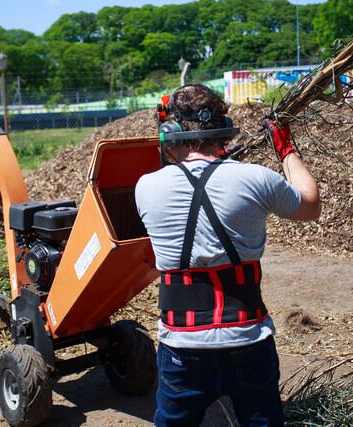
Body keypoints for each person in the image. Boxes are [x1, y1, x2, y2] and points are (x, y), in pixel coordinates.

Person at [135, 84, 320, 427]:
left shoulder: (144, 187)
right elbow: (310, 205)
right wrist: (285, 148)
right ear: (223, 128)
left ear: (170, 132)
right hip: (248, 340)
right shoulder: (255, 178)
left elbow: (180, 175)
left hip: (181, 345)